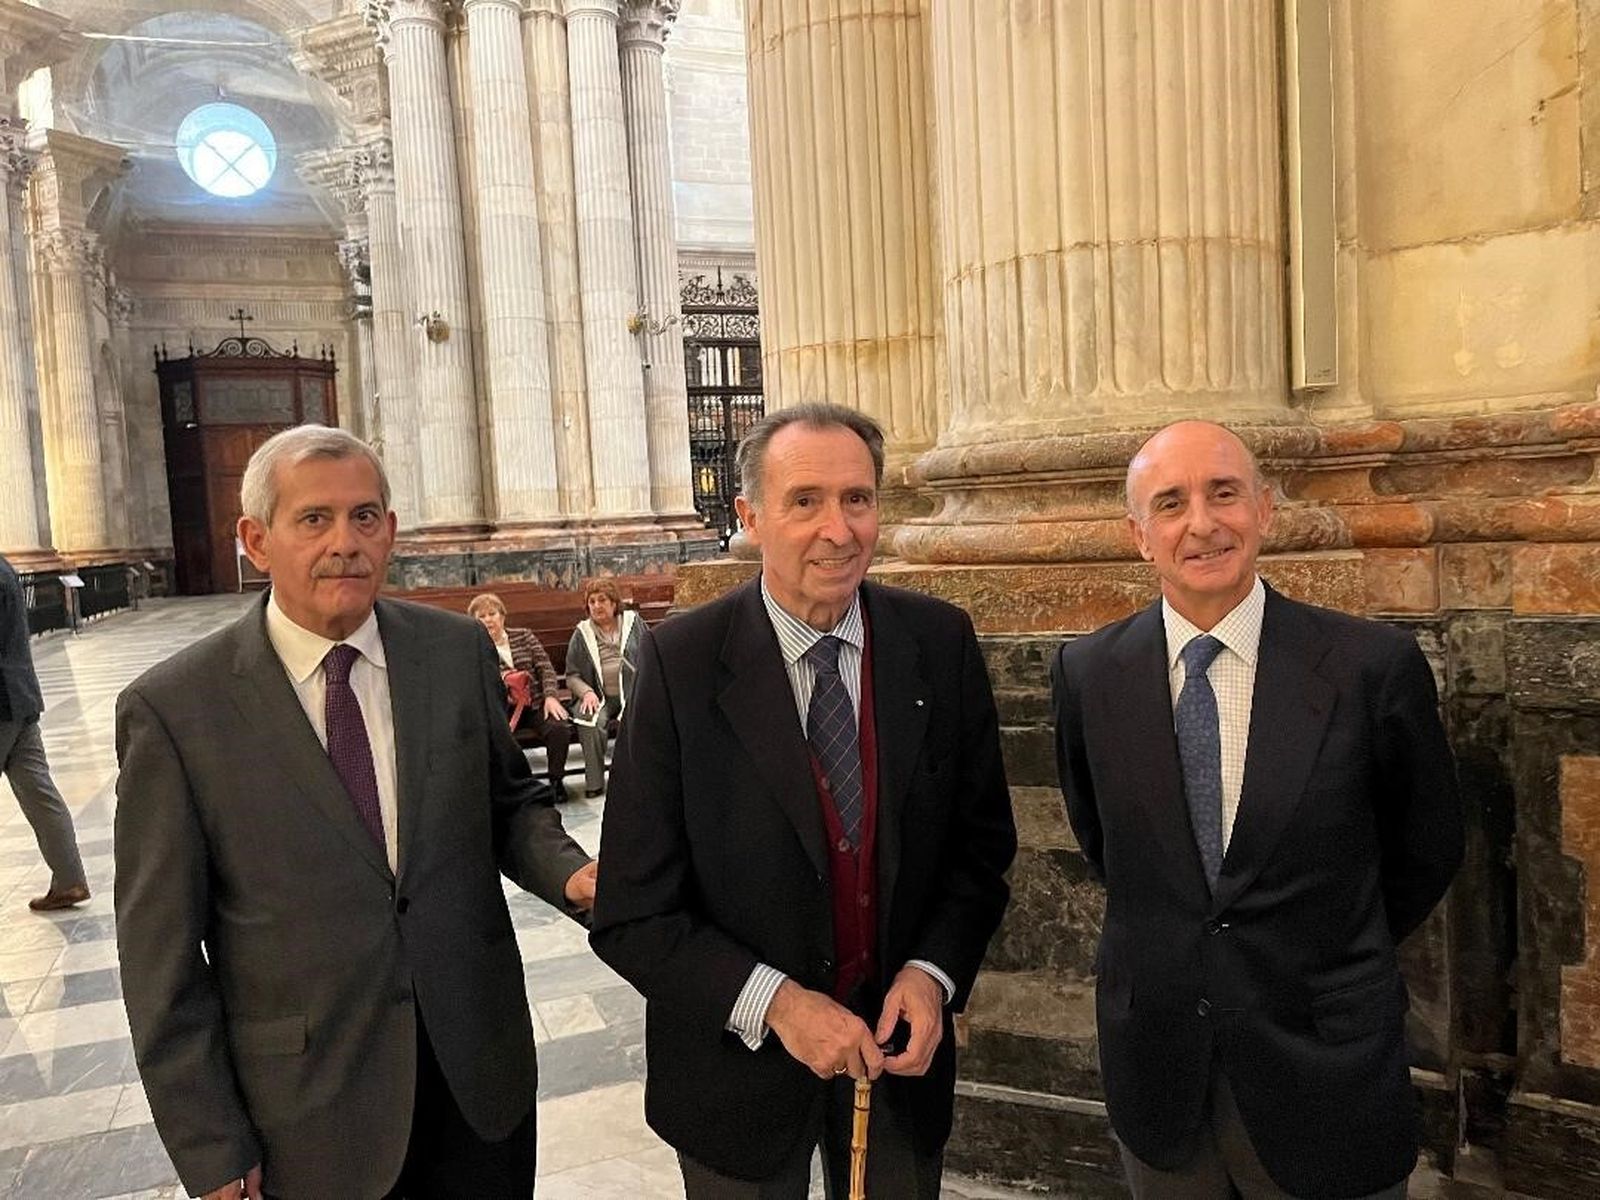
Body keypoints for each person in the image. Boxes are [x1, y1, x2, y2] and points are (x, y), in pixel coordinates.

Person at [113, 425, 598, 1200]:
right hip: (309, 1112)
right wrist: (210, 1144)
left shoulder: (452, 653)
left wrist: (576, 877)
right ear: (256, 539)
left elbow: (507, 804)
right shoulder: (176, 710)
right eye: (315, 519)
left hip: (477, 1077)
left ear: (391, 531)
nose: (346, 542)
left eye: (365, 517)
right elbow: (159, 960)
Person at [590, 402, 1017, 1198]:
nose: (839, 528)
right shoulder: (681, 665)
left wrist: (931, 973)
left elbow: (978, 849)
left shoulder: (938, 643)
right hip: (733, 1080)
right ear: (750, 516)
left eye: (857, 499)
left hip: (897, 1066)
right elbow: (633, 913)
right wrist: (780, 1005)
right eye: (806, 501)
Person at [1050, 420, 1463, 1199]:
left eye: (1224, 493)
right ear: (1140, 536)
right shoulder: (1088, 673)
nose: (1202, 523)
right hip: (1163, 1074)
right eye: (1171, 504)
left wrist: (1328, 948)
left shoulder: (1370, 669)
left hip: (1326, 1066)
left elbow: (1427, 846)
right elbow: (1107, 844)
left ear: (1265, 510)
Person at [0, 552, 90, 913]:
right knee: (40, 793)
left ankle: (69, 880)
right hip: (20, 697)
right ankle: (68, 880)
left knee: (40, 793)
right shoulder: (4, 566)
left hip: (2, 702)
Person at [468, 591, 576, 794]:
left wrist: (551, 697)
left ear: (502, 616)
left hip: (535, 704)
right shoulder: (474, 646)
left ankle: (556, 781)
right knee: (494, 740)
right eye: (482, 616)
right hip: (502, 712)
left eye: (492, 614)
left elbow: (545, 668)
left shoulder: (523, 636)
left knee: (559, 728)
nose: (488, 620)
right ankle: (512, 787)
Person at [564, 577, 646, 798]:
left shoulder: (633, 623)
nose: (597, 606)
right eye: (592, 601)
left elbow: (651, 655)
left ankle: (638, 780)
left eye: (602, 600)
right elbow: (571, 676)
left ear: (613, 603)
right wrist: (586, 692)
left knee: (640, 718)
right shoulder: (582, 633)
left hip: (633, 692)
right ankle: (595, 783)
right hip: (599, 696)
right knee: (589, 719)